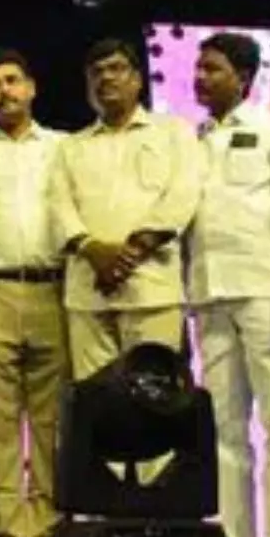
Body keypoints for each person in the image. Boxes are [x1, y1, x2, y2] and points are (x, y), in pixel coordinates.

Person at [187, 33, 270, 537]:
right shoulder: (190, 139)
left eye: (211, 69)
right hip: (209, 293)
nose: (198, 77)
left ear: (243, 77)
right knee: (223, 428)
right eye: (196, 68)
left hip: (267, 291)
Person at [49, 38, 203, 380]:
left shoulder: (174, 132)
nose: (106, 78)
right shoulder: (71, 146)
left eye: (116, 69)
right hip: (88, 294)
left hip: (152, 290)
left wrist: (127, 255)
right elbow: (59, 206)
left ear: (137, 79)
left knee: (154, 398)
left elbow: (182, 196)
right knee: (96, 402)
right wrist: (93, 251)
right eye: (96, 73)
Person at [0, 49, 68, 537]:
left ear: (32, 87)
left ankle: (49, 533)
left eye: (11, 81)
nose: (3, 91)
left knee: (51, 422)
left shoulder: (64, 147)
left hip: (54, 287)